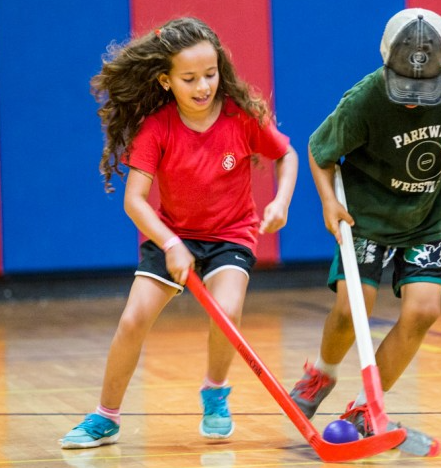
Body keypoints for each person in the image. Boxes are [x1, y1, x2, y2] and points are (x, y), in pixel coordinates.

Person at [60, 17, 298, 449]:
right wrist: (171, 243)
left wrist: (280, 201)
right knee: (133, 319)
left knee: (227, 312)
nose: (203, 86)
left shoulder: (241, 116)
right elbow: (135, 200)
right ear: (166, 81)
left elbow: (286, 155)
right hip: (173, 234)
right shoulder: (158, 128)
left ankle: (215, 392)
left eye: (211, 74)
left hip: (230, 235)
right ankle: (106, 416)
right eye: (190, 78)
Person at [288, 8, 441, 436]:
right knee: (350, 309)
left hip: (426, 217)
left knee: (424, 311)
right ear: (386, 63)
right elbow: (319, 152)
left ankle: (364, 407)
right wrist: (328, 203)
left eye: (424, 89)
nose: (413, 98)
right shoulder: (364, 101)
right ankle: (322, 374)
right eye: (404, 87)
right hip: (367, 215)